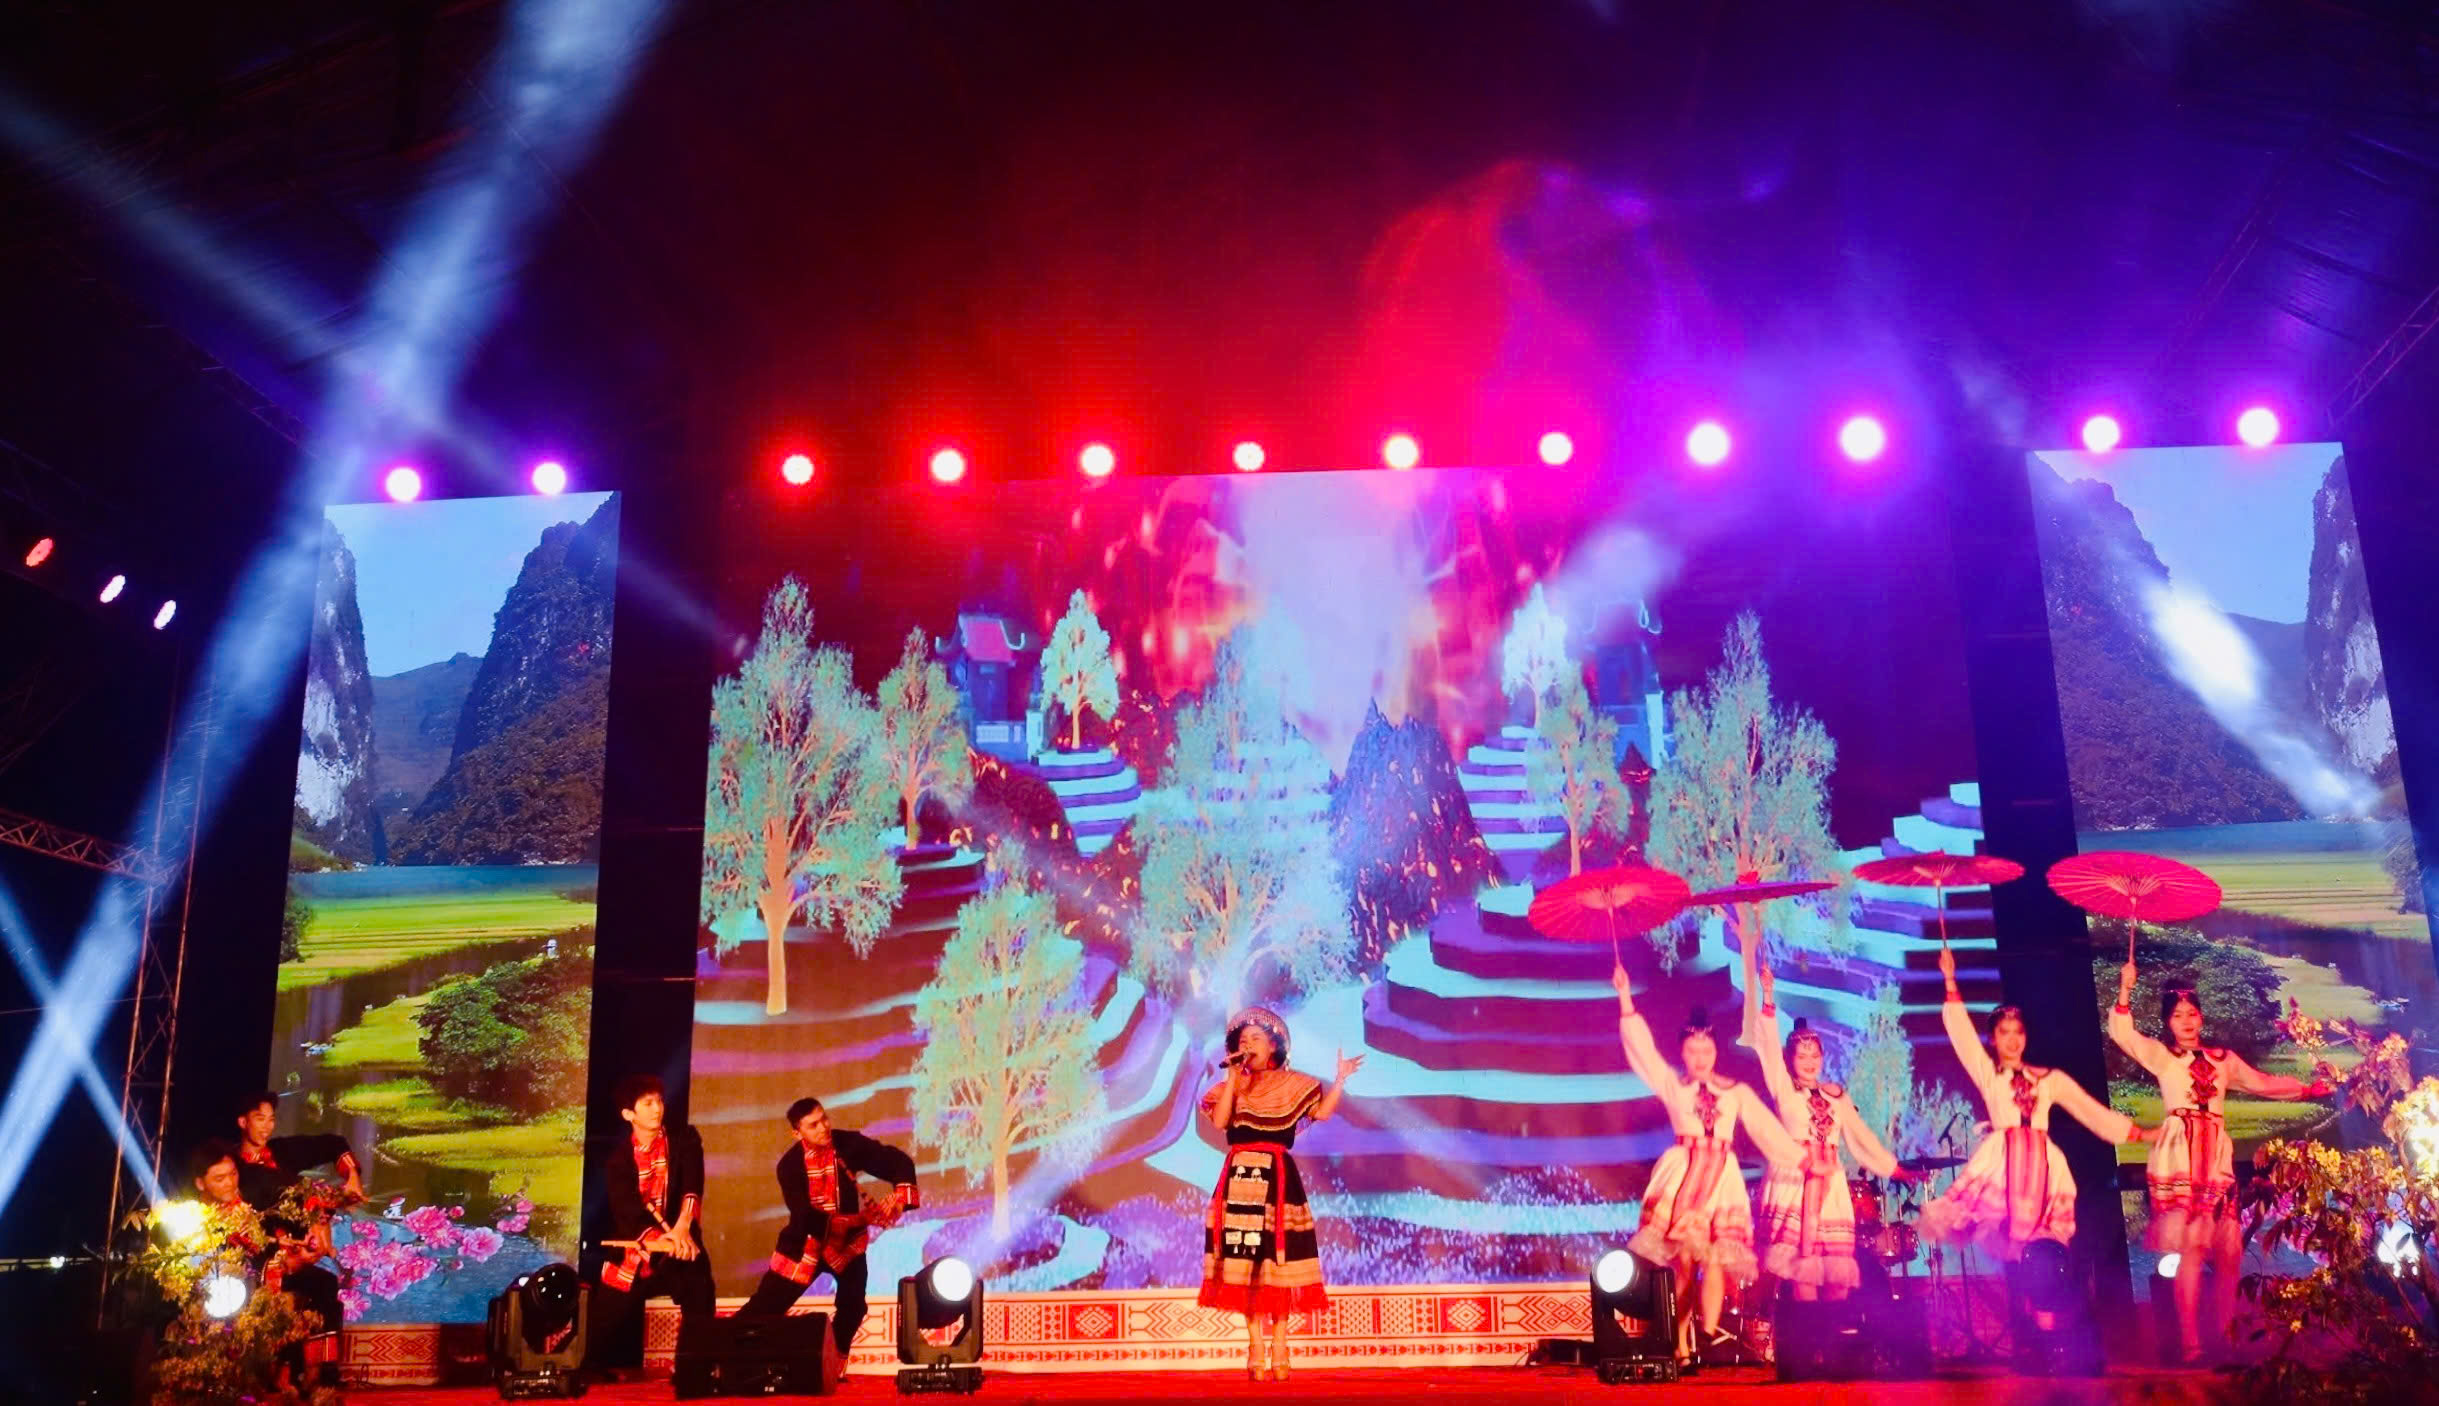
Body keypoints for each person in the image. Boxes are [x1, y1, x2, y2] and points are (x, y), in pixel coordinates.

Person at [1920, 944, 2152, 1334]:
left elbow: (2091, 1112)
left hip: (2044, 1166)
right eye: (2004, 1033)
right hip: (2003, 1163)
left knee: (2044, 1251)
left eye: (2018, 1032)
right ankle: (2025, 1332)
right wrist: (1949, 980)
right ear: (1994, 1039)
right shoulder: (1989, 1074)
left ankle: (2048, 1329)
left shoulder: (2049, 1079)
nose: (2012, 1040)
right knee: (2013, 1253)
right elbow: (1961, 1036)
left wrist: (2140, 1134)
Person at [2110, 961, 2328, 1363]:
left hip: (2216, 1156)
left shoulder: (2222, 1059)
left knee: (2229, 1253)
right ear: (2168, 1022)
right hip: (2181, 1153)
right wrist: (2125, 989)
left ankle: (2226, 1338)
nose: (2186, 1021)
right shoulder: (2162, 1056)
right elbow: (2123, 1034)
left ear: (2202, 1016)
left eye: (2192, 1013)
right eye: (2178, 1015)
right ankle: (2191, 1344)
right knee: (2192, 1251)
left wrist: (2305, 1089)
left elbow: (2262, 1083)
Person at [1613, 963, 1804, 1364]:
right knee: (1684, 1264)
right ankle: (1681, 1345)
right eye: (1692, 1051)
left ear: (1716, 1052)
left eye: (1706, 1051)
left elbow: (1766, 1129)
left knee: (1716, 1257)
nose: (1700, 1058)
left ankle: (1705, 1328)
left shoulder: (1735, 1092)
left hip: (1721, 1178)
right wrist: (1626, 997)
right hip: (1683, 1174)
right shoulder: (1673, 1086)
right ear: (1682, 1053)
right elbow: (1644, 1054)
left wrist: (1801, 1161)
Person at [1198, 1007, 1361, 1383]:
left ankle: (1282, 1344)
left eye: (1255, 1038)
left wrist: (1340, 1079)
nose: (1247, 1044)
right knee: (1246, 1262)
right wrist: (1233, 1078)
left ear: (1273, 1045)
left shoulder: (1294, 1084)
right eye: (1242, 1040)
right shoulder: (1229, 1087)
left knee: (1279, 1262)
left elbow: (1321, 1114)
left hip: (1278, 1179)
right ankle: (1255, 1344)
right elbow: (1221, 1122)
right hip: (1239, 1178)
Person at [1744, 954, 1915, 1301]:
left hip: (1832, 1184)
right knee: (1801, 1273)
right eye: (1801, 1055)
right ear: (1790, 1059)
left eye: (1815, 1055)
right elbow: (1767, 1047)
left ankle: (1835, 1333)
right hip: (1795, 1179)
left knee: (1836, 1274)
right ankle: (1808, 1332)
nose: (1809, 1062)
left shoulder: (1835, 1094)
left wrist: (1892, 1167)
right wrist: (1768, 995)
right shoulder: (1784, 1088)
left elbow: (1860, 1136)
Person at [737, 1096, 921, 1364]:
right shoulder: (789, 1166)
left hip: (847, 1246)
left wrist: (899, 1201)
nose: (823, 1127)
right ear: (797, 1132)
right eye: (813, 1125)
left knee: (853, 1307)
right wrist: (862, 1219)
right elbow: (805, 1217)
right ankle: (722, 1354)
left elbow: (896, 1161)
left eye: (824, 1118)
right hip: (806, 1245)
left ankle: (831, 1362)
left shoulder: (848, 1144)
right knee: (765, 1307)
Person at [187, 1138, 345, 1391]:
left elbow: (299, 1193)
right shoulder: (193, 1216)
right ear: (200, 1183)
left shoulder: (250, 1191)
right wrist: (283, 1264)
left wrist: (308, 1234)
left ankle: (320, 1373)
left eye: (233, 1174)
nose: (229, 1183)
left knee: (324, 1282)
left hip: (268, 1266)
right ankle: (269, 1375)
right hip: (229, 1284)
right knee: (263, 1293)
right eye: (219, 1178)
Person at [588, 1074, 714, 1374]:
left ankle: (693, 1371)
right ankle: (584, 1368)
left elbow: (692, 1186)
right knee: (604, 1319)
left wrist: (682, 1228)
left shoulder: (684, 1139)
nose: (657, 1108)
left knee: (701, 1292)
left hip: (683, 1241)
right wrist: (661, 1239)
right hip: (638, 1247)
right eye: (647, 1103)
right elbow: (627, 1211)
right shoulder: (619, 1161)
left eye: (659, 1101)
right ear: (628, 1114)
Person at [230, 1091, 363, 1213]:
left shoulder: (283, 1150)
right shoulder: (230, 1163)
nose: (267, 1127)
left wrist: (352, 1174)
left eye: (271, 1119)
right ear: (243, 1122)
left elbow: (334, 1144)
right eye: (260, 1119)